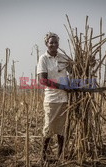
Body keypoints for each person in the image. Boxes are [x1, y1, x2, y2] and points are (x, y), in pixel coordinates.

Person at [37, 32, 72, 161]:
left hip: (64, 99)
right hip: (51, 99)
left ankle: (60, 156)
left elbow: (75, 70)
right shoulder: (43, 59)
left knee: (62, 129)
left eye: (56, 42)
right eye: (51, 42)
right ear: (46, 44)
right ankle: (43, 156)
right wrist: (62, 86)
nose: (53, 44)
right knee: (49, 127)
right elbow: (43, 81)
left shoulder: (63, 58)